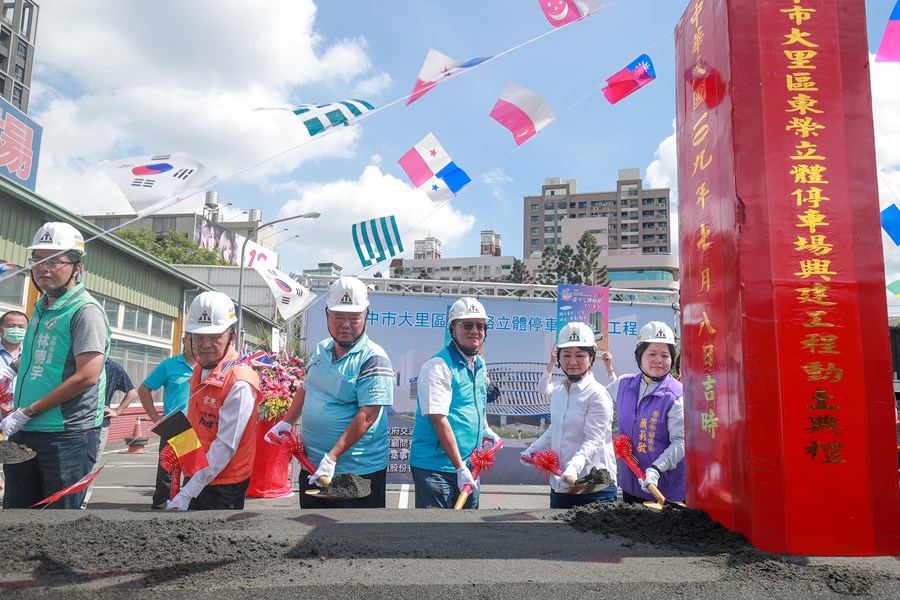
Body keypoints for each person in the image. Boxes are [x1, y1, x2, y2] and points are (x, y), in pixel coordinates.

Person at [0, 222, 110, 509]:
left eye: (54, 261)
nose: (43, 268)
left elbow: (88, 375)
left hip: (67, 436)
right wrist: (12, 369)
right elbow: (43, 361)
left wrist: (26, 411)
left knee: (57, 524)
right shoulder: (40, 308)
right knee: (16, 517)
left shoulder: (84, 311)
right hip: (25, 430)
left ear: (77, 266)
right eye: (37, 260)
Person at [266, 276, 394, 509]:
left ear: (366, 317)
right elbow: (307, 388)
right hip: (311, 465)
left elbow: (368, 415)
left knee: (352, 537)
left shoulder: (373, 358)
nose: (346, 324)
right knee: (312, 531)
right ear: (327, 316)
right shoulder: (320, 350)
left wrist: (332, 457)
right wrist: (285, 423)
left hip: (356, 471)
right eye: (338, 317)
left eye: (354, 317)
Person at [166, 291, 262, 511]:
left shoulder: (240, 381)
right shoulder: (199, 370)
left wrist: (188, 493)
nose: (205, 344)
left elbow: (225, 447)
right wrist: (180, 453)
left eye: (214, 337)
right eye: (199, 337)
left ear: (232, 336)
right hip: (198, 474)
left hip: (224, 483)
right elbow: (195, 423)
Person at [409, 297, 500, 509]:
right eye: (467, 325)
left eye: (480, 326)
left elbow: (477, 402)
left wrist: (486, 429)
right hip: (437, 469)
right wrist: (459, 468)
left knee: (466, 535)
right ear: (452, 329)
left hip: (470, 466)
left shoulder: (479, 364)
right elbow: (439, 419)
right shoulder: (438, 367)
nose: (475, 331)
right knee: (437, 535)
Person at [521, 322, 618, 509]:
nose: (572, 362)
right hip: (560, 486)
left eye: (580, 355)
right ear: (559, 359)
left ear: (591, 357)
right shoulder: (558, 390)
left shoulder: (597, 394)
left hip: (594, 488)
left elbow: (593, 440)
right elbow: (554, 430)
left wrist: (572, 469)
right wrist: (531, 450)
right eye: (566, 355)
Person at [606, 321, 685, 504]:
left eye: (665, 355)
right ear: (639, 357)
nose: (658, 360)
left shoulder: (675, 394)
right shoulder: (623, 385)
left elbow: (681, 442)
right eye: (652, 354)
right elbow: (596, 404)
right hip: (631, 485)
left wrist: (656, 469)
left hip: (664, 489)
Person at [139, 333, 197, 509]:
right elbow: (144, 390)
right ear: (184, 341)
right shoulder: (169, 365)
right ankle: (160, 508)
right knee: (166, 474)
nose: (196, 344)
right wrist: (155, 418)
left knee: (193, 473)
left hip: (198, 427)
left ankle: (188, 507)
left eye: (200, 338)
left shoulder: (209, 367)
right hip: (173, 426)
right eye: (192, 339)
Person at [81, 357, 138, 507]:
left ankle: (82, 502)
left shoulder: (112, 367)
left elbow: (132, 392)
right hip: (74, 423)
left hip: (100, 424)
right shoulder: (79, 362)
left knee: (91, 464)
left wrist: (118, 411)